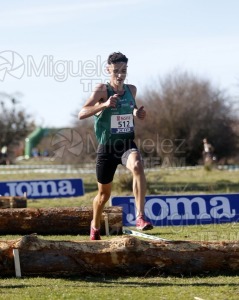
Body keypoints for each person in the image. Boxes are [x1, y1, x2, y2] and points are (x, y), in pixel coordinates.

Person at [78, 51, 153, 240]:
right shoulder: (102, 90)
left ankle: (140, 216)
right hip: (107, 149)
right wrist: (103, 105)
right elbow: (82, 113)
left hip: (126, 144)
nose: (120, 75)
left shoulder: (132, 90)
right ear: (108, 70)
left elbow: (130, 109)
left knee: (137, 165)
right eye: (116, 71)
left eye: (124, 70)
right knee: (103, 196)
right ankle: (95, 225)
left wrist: (137, 113)